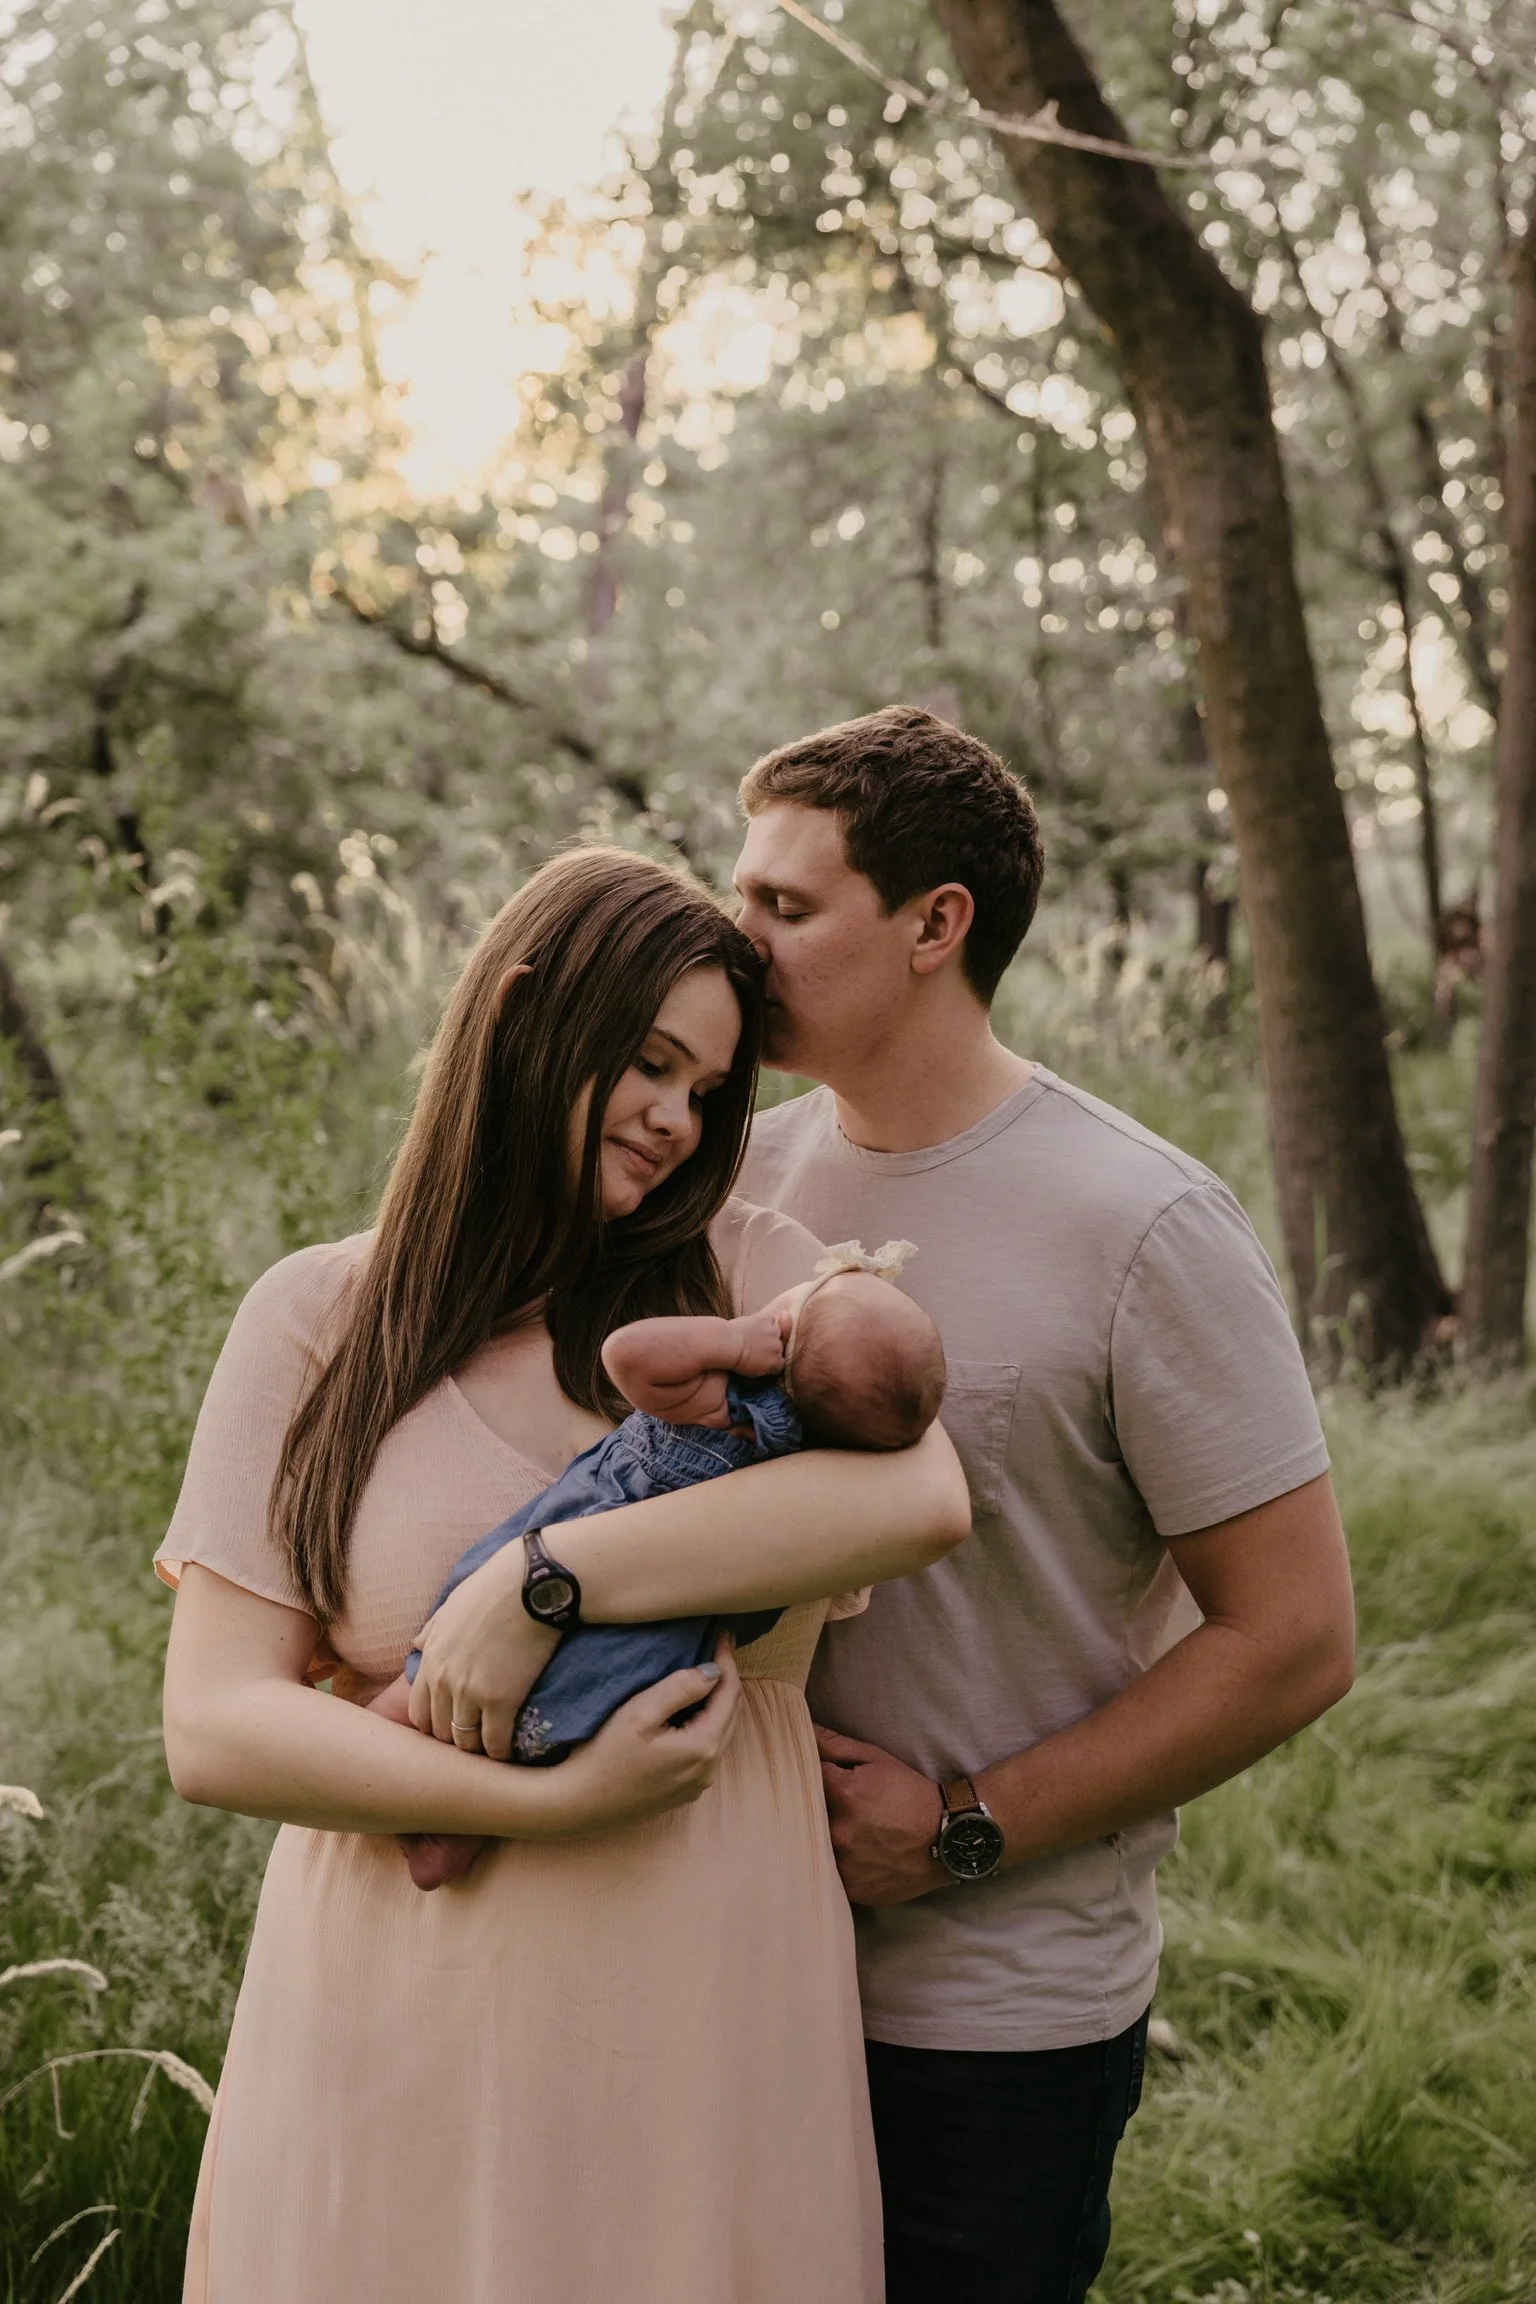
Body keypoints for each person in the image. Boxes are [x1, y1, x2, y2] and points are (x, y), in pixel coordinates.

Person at [156, 843, 971, 2304]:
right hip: (395, 2020)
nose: (676, 1120)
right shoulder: (319, 1321)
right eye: (651, 1064)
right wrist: (537, 1800)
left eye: (710, 1091)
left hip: (703, 2028)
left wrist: (546, 1578)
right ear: (528, 1010)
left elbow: (923, 1496)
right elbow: (216, 1728)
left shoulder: (745, 1281)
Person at [733, 706, 1357, 2304]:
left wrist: (955, 1832)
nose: (736, 942)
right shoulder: (739, 1176)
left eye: (785, 909)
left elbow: (1292, 1640)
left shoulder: (1141, 1222)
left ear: (937, 925)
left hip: (988, 2013)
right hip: (728, 1966)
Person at [374, 1245, 946, 1887]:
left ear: (785, 1341)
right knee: (545, 1705)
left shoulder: (738, 1407)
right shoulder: (823, 1469)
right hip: (644, 1656)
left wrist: (733, 1339)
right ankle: (456, 1837)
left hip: (580, 1552)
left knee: (419, 1693)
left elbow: (628, 1355)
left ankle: (380, 1768)